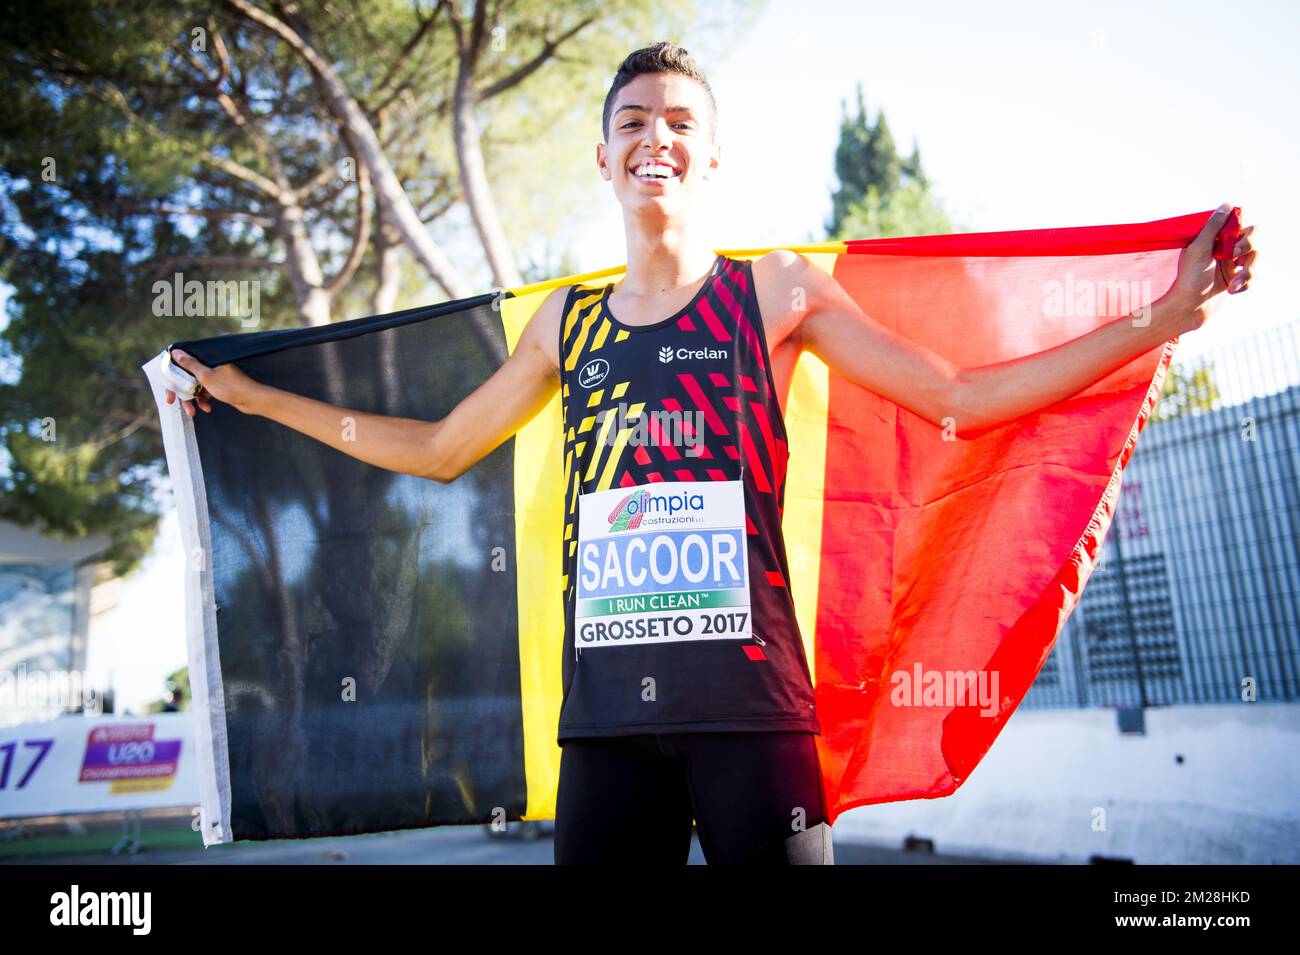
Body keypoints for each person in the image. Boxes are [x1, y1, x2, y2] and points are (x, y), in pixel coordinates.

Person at [163, 42, 1255, 865]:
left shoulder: (772, 291)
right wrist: (256, 396)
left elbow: (959, 396)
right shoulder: (564, 328)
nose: (657, 138)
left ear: (711, 153)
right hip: (607, 733)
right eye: (633, 120)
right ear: (603, 153)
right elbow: (444, 447)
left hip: (753, 718)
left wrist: (1154, 322)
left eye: (680, 122)